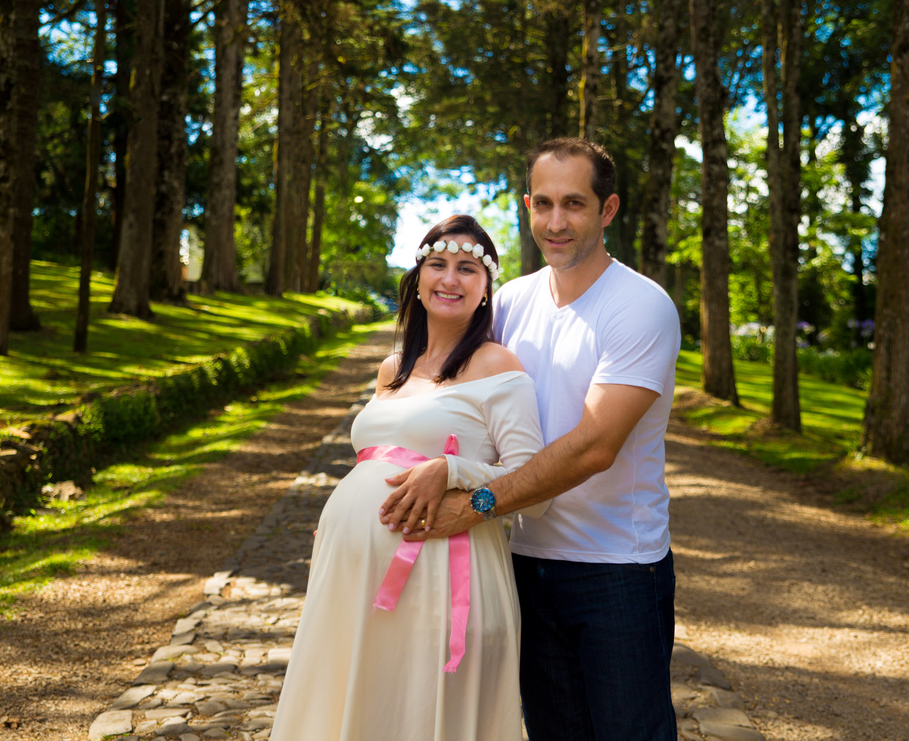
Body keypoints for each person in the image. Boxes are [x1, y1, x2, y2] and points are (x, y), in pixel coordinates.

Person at [380, 137, 682, 741]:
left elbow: (595, 446)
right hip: (518, 562)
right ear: (526, 206)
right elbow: (447, 402)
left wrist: (473, 505)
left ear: (609, 209)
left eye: (574, 203)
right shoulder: (511, 301)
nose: (556, 221)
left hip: (617, 567)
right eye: (542, 203)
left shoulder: (640, 307)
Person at [269, 214, 549, 741]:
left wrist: (452, 470)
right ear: (417, 282)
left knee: (419, 715)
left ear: (487, 289)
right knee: (356, 709)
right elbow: (377, 459)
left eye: (468, 268)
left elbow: (534, 487)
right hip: (353, 574)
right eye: (437, 264)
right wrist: (344, 515)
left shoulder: (499, 366)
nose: (450, 278)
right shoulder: (393, 368)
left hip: (441, 577)